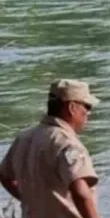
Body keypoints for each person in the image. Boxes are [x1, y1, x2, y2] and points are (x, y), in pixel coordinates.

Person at [0, 79, 103, 218]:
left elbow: (4, 176)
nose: (88, 114)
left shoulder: (24, 138)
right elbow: (80, 192)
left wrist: (31, 200)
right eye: (87, 107)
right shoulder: (68, 144)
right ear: (72, 108)